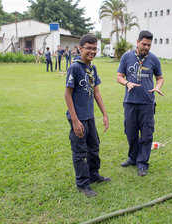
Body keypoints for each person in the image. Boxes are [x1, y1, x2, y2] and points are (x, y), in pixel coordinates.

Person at [64, 34, 111, 197]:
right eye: (88, 48)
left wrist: (104, 114)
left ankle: (93, 175)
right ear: (80, 48)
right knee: (80, 152)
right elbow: (67, 95)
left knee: (94, 147)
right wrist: (75, 121)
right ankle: (82, 183)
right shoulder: (75, 67)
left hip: (89, 117)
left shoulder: (92, 68)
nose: (92, 51)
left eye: (94, 48)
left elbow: (96, 91)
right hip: (78, 117)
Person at [117, 30, 164, 177]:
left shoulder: (154, 59)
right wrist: (127, 83)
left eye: (149, 45)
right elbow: (119, 76)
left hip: (147, 102)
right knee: (130, 132)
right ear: (137, 42)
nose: (146, 47)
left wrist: (157, 86)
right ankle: (132, 158)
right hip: (130, 102)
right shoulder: (127, 57)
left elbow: (160, 78)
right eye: (144, 44)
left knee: (146, 134)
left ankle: (142, 163)